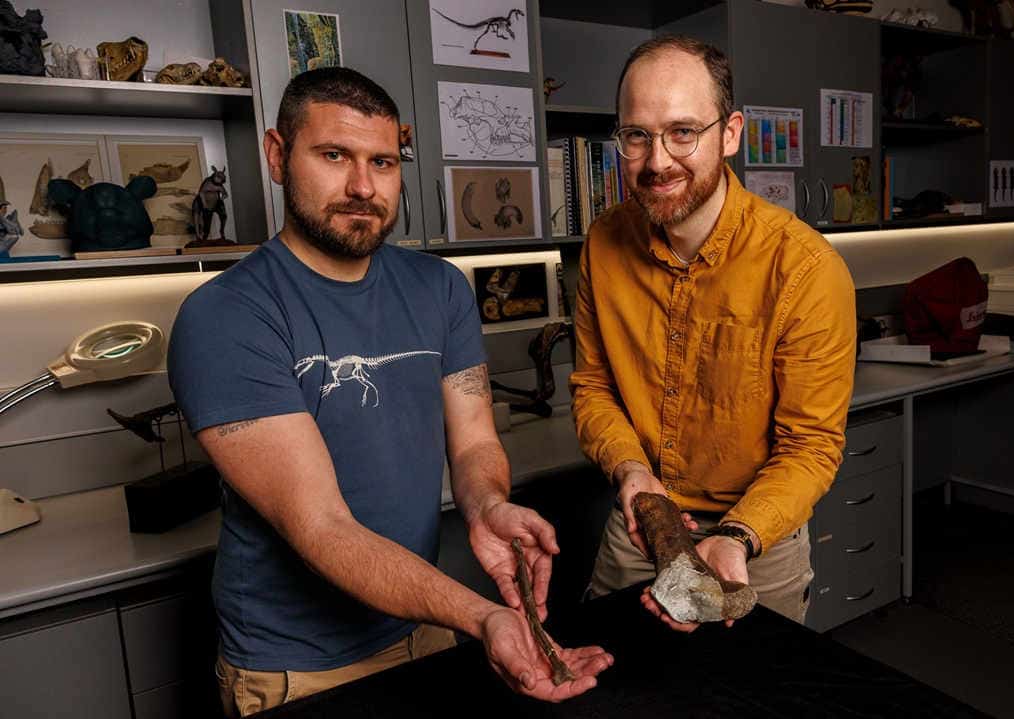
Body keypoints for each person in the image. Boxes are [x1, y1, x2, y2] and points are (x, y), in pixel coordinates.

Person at [168, 67, 611, 717]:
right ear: (276, 155)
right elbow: (321, 526)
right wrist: (481, 615)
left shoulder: (443, 289)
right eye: (333, 155)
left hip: (420, 628)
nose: (362, 186)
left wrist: (488, 503)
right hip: (295, 669)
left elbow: (475, 442)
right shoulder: (226, 317)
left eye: (382, 161)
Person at [569, 36, 856, 630]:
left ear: (730, 134)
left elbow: (811, 446)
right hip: (640, 526)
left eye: (682, 133)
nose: (657, 162)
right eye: (637, 135)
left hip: (756, 540)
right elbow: (593, 386)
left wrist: (734, 538)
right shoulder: (602, 243)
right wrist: (633, 474)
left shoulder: (804, 268)